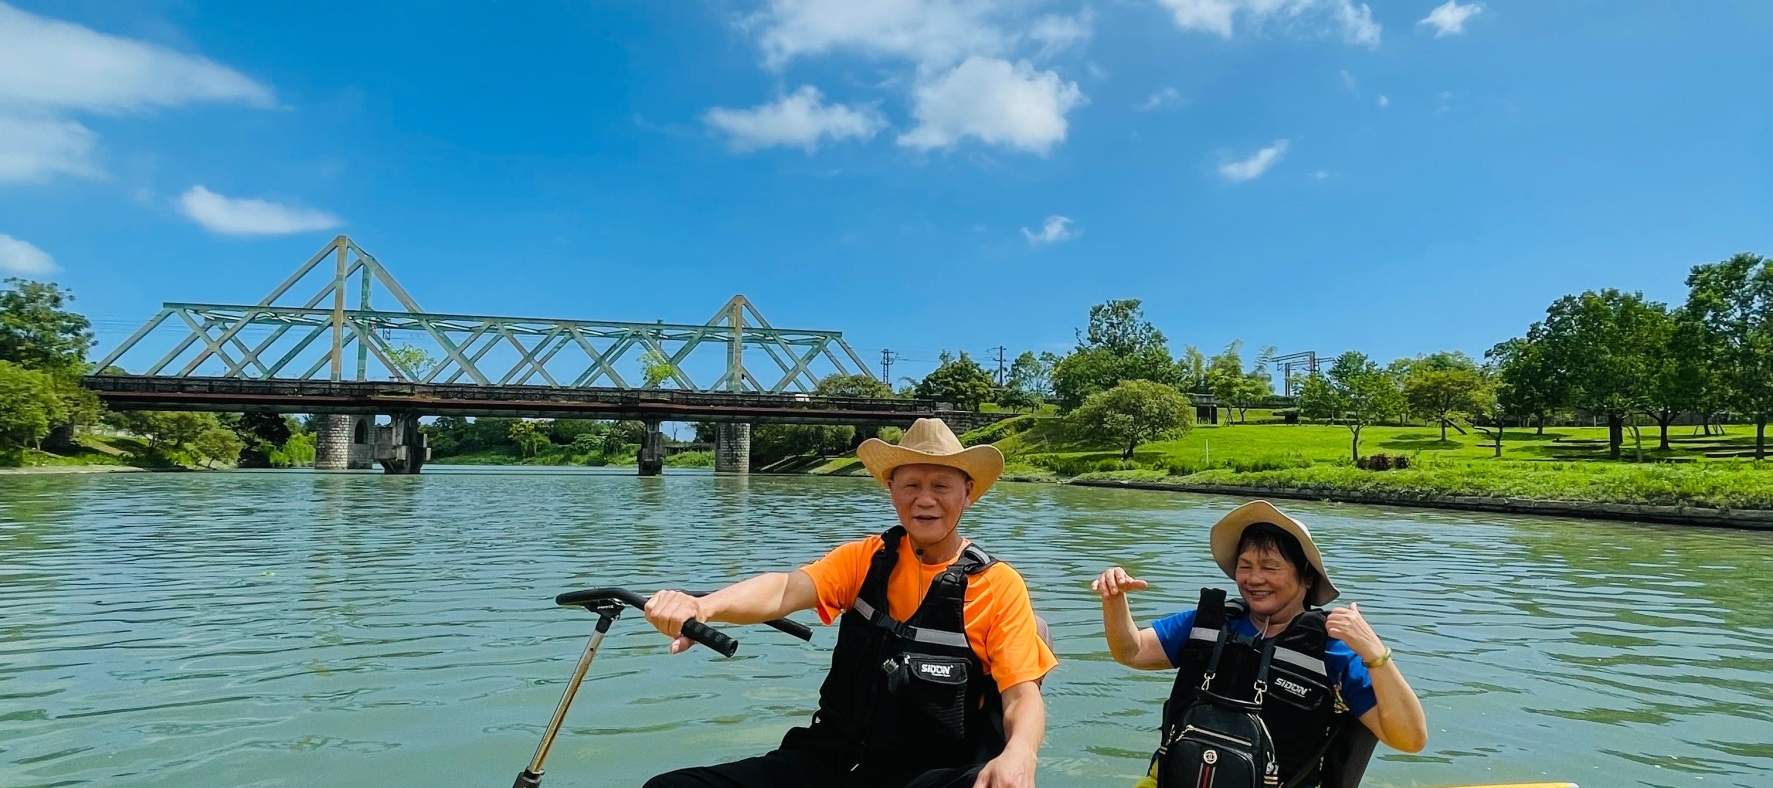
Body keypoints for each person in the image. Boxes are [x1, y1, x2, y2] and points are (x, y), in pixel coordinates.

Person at [643, 418, 1056, 788]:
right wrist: (704, 607)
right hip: (827, 760)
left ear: (967, 494)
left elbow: (1022, 697)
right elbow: (785, 590)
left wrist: (1021, 753)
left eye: (941, 486)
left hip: (930, 774)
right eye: (911, 485)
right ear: (890, 488)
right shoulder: (865, 559)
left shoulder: (996, 585)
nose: (924, 499)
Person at [1094, 500, 1427, 787]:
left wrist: (1374, 652)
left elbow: (1410, 738)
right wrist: (1114, 599)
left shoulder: (1332, 648)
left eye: (1270, 567)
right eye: (1245, 566)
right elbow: (1132, 650)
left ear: (1306, 577)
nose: (1254, 579)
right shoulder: (1209, 623)